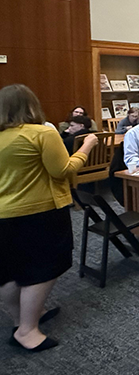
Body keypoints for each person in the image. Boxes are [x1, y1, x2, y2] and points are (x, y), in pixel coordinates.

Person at [0, 84, 99, 351]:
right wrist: (87, 145)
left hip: (3, 215)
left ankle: (22, 317)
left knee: (9, 270)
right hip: (39, 212)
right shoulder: (43, 133)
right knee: (43, 268)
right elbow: (63, 170)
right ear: (31, 105)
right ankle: (28, 330)